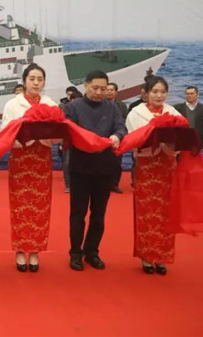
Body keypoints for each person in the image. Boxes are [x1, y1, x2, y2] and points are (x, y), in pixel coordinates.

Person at [64, 70, 127, 271]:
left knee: (99, 214)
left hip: (105, 167)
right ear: (85, 85)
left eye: (104, 89)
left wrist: (117, 136)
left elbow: (121, 127)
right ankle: (75, 252)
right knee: (78, 213)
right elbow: (67, 131)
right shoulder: (73, 107)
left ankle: (92, 251)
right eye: (95, 88)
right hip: (80, 168)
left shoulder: (112, 107)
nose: (99, 92)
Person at [1, 64, 59, 272]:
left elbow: (59, 134)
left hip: (42, 158)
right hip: (21, 158)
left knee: (40, 205)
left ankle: (35, 250)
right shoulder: (12, 104)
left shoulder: (50, 104)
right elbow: (6, 132)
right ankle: (19, 249)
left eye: (40, 79)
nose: (36, 83)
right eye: (32, 78)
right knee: (20, 205)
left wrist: (46, 134)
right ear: (24, 81)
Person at [126, 76, 182, 275]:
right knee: (147, 211)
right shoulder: (136, 113)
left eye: (163, 92)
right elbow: (133, 139)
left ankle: (162, 256)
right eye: (155, 91)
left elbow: (182, 139)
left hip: (167, 167)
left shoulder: (173, 112)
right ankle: (147, 256)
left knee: (166, 212)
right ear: (146, 93)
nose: (159, 96)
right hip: (147, 167)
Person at [106, 83, 128, 194]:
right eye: (107, 90)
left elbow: (125, 120)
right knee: (103, 162)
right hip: (103, 137)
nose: (109, 92)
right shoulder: (101, 104)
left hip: (118, 137)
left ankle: (114, 184)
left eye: (111, 90)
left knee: (116, 162)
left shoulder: (122, 105)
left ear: (116, 92)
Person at [60, 89, 82, 193]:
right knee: (67, 163)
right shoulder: (65, 110)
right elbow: (61, 127)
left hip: (82, 140)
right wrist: (61, 142)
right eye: (74, 100)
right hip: (68, 140)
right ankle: (68, 185)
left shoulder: (85, 111)